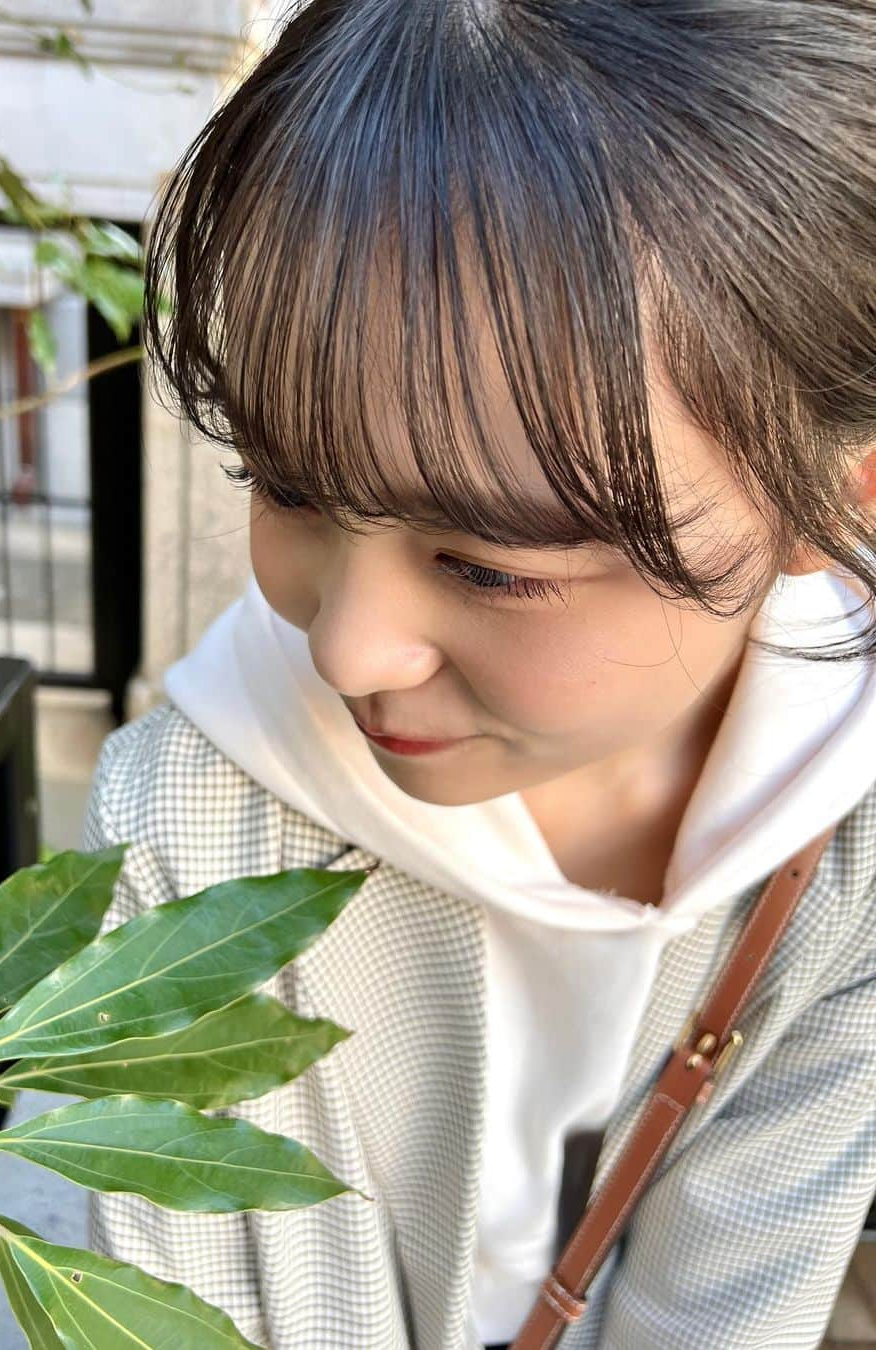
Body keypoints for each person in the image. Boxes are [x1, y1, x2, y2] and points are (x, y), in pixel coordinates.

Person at [80, 2, 876, 1345]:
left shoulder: (843, 837)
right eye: (286, 485)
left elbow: (739, 1288)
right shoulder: (190, 832)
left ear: (826, 499)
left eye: (492, 563)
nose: (345, 647)